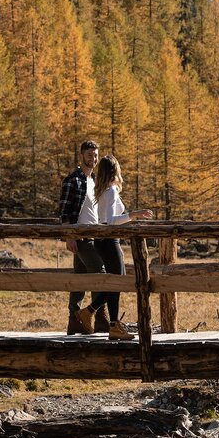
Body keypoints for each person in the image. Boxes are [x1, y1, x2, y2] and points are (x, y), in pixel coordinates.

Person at [74, 155, 153, 339]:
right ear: (114, 170)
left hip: (104, 241)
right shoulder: (109, 192)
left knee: (117, 281)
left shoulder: (103, 191)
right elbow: (110, 222)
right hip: (109, 241)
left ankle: (92, 313)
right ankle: (112, 325)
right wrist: (134, 215)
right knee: (118, 282)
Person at [58, 139, 109, 335]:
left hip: (94, 237)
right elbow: (64, 211)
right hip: (80, 237)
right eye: (90, 155)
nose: (93, 159)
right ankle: (100, 317)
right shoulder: (73, 180)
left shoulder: (94, 181)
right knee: (101, 275)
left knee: (79, 279)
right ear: (81, 156)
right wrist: (69, 236)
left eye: (96, 155)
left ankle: (74, 321)